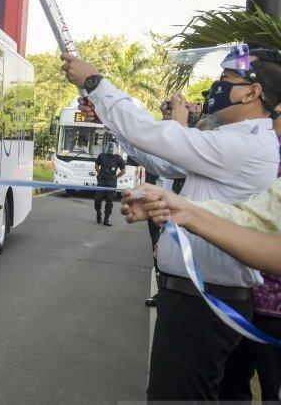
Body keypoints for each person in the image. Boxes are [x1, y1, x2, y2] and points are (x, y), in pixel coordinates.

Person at [61, 47, 281, 400]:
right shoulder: (234, 140)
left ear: (252, 92)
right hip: (199, 297)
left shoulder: (246, 145)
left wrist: (96, 83)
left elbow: (160, 137)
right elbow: (162, 158)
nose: (215, 86)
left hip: (203, 301)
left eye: (226, 79)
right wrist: (109, 119)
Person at [94, 142, 125, 226]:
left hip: (111, 182)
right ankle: (98, 213)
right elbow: (96, 165)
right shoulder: (102, 155)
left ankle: (106, 220)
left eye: (113, 149)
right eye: (110, 148)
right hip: (102, 181)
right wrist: (99, 173)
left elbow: (123, 171)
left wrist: (115, 177)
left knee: (109, 201)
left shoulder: (118, 158)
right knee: (97, 199)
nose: (111, 150)